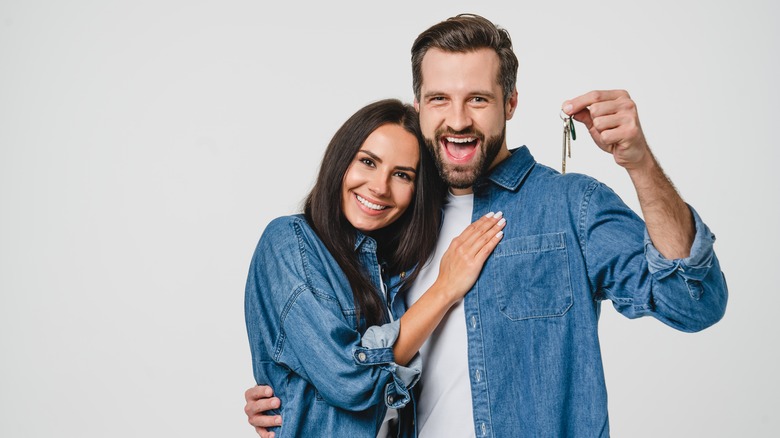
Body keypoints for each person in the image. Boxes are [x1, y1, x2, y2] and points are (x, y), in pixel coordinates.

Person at [246, 15, 728, 437]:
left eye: (477, 99)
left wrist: (639, 163)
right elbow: (350, 363)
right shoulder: (391, 218)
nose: (458, 120)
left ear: (511, 103)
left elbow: (693, 303)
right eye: (439, 99)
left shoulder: (568, 204)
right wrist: (291, 399)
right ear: (419, 106)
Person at [244, 98, 508, 437]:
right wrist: (444, 290)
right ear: (341, 161)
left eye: (401, 174)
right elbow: (349, 379)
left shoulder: (390, 270)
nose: (380, 187)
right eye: (368, 162)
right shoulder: (289, 241)